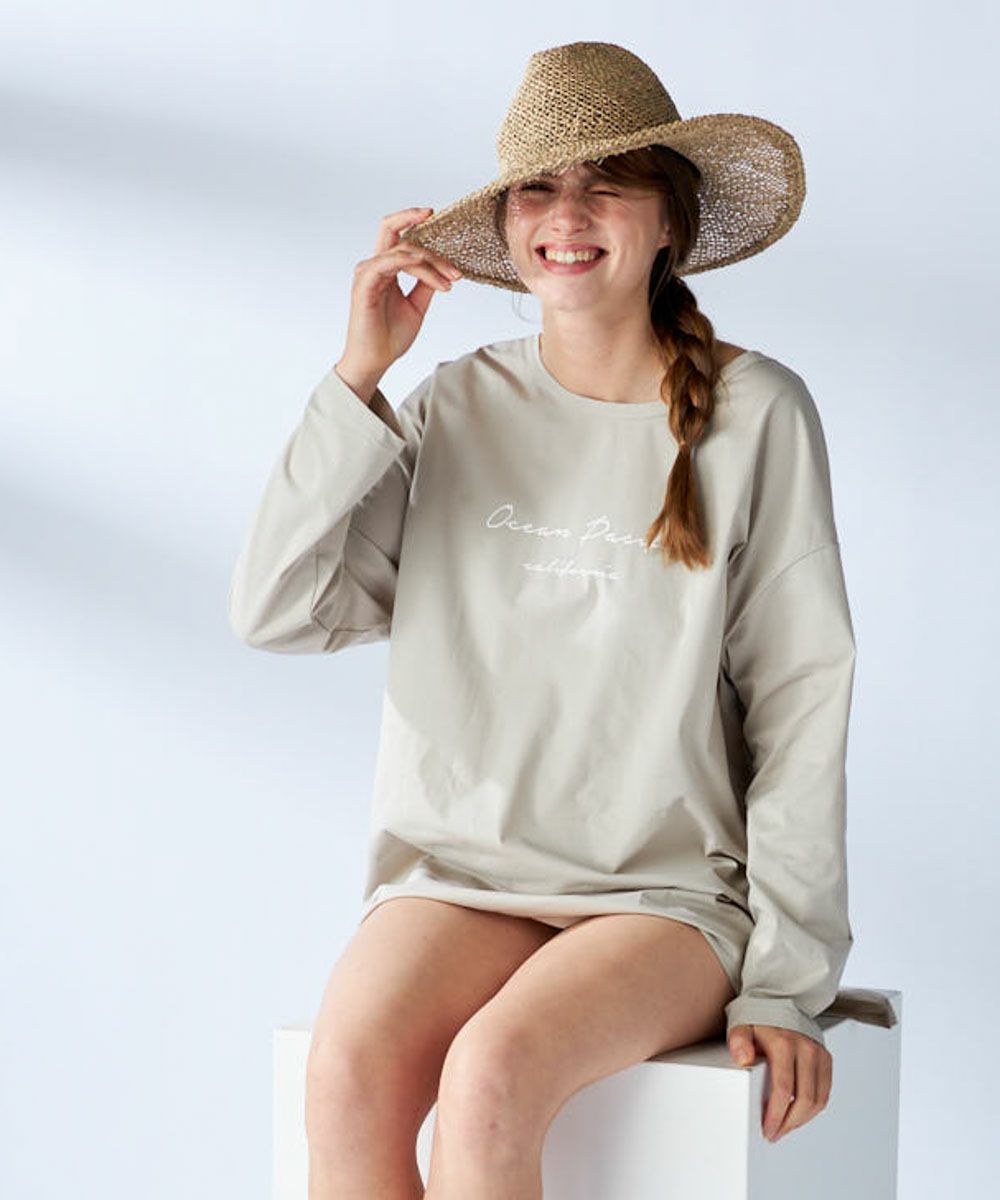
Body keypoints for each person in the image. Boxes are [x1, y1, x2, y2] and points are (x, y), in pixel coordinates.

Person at [228, 40, 858, 1199]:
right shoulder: (455, 404)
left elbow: (801, 698)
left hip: (663, 897)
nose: (567, 216)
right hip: (458, 875)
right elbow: (275, 607)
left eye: (606, 183)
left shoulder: (758, 412)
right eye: (537, 188)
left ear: (669, 220)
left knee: (491, 1079)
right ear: (508, 226)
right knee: (348, 1078)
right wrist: (359, 376)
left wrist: (786, 979)